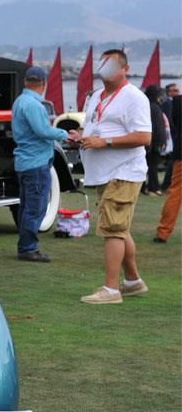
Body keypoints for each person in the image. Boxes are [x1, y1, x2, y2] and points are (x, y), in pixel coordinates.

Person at [77, 49, 151, 304]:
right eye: (102, 64)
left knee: (113, 228)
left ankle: (110, 289)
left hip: (125, 170)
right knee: (118, 227)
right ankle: (132, 281)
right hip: (103, 172)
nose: (104, 69)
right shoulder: (97, 95)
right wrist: (81, 136)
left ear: (124, 69)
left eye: (110, 65)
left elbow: (144, 137)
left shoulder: (135, 97)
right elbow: (95, 126)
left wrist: (104, 142)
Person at [11, 66, 81, 262]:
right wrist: (65, 134)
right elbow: (42, 131)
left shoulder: (19, 102)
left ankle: (25, 245)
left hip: (24, 161)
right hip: (36, 161)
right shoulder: (34, 105)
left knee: (27, 206)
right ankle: (28, 248)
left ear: (26, 82)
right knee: (35, 207)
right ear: (42, 84)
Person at [154, 87, 182, 243]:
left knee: (175, 193)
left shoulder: (177, 103)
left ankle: (163, 232)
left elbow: (175, 127)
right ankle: (163, 232)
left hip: (180, 153)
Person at [140, 85, 167, 196]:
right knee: (152, 167)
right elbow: (155, 128)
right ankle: (152, 188)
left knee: (150, 166)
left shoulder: (151, 106)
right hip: (153, 143)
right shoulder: (153, 107)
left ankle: (149, 188)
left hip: (153, 142)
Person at [161, 83, 179, 188]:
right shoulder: (168, 103)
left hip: (174, 136)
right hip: (173, 136)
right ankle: (167, 184)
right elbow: (169, 120)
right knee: (173, 161)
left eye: (178, 90)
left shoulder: (173, 103)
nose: (177, 92)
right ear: (169, 92)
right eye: (175, 90)